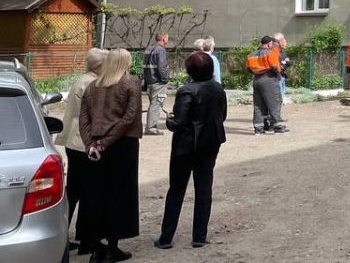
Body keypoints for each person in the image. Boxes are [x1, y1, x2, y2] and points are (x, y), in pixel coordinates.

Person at [154, 51, 227, 250]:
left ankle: (166, 238)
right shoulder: (218, 89)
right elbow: (223, 115)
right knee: (204, 189)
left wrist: (169, 119)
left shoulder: (187, 90)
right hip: (210, 143)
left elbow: (179, 123)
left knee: (177, 190)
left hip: (186, 146)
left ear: (189, 70)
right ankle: (199, 237)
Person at [79, 48, 142, 262]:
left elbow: (84, 119)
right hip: (121, 145)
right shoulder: (130, 83)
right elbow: (129, 118)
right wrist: (104, 143)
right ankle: (112, 245)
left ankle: (97, 246)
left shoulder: (92, 86)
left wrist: (90, 144)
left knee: (98, 195)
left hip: (96, 145)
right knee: (119, 195)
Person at [59, 47, 107, 256]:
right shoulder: (93, 84)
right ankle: (88, 239)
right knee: (91, 192)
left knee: (74, 191)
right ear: (99, 66)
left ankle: (62, 238)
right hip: (85, 142)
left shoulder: (80, 80)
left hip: (73, 141)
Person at [246, 36, 288, 134]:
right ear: (269, 44)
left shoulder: (251, 55)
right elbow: (275, 67)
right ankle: (278, 126)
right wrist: (280, 70)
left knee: (258, 105)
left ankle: (259, 128)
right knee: (274, 102)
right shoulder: (270, 53)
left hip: (256, 80)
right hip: (269, 79)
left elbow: (248, 69)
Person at [143, 32, 171, 135]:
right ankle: (151, 128)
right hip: (158, 81)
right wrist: (165, 79)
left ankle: (150, 126)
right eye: (167, 38)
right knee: (156, 104)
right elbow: (162, 66)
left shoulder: (149, 49)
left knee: (153, 104)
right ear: (164, 39)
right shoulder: (161, 50)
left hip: (149, 81)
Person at [274, 33, 291, 117]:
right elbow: (278, 65)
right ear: (279, 41)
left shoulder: (283, 52)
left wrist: (285, 63)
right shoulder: (275, 52)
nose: (286, 42)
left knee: (281, 98)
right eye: (284, 40)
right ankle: (275, 117)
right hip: (277, 77)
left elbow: (288, 62)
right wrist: (284, 63)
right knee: (278, 98)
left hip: (282, 77)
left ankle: (277, 115)